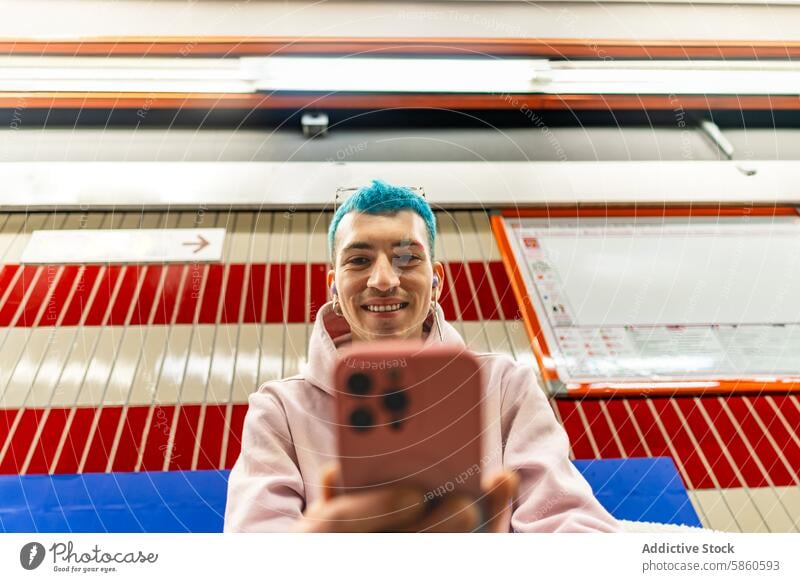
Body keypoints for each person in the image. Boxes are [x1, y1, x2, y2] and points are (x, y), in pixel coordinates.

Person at [224, 179, 620, 532]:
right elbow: (253, 552)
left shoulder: (506, 387)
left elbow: (568, 523)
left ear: (436, 282)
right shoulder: (279, 411)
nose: (383, 280)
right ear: (334, 287)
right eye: (359, 260)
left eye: (407, 258)